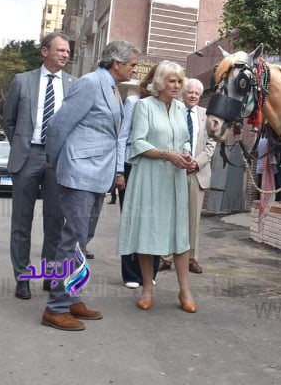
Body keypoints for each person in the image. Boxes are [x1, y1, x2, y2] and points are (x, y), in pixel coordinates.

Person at [41, 40, 139, 331]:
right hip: (79, 171)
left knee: (82, 242)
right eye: (132, 63)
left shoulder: (110, 87)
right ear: (116, 63)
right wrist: (56, 163)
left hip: (97, 174)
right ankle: (55, 308)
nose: (135, 67)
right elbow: (59, 125)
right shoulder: (90, 83)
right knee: (72, 242)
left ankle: (71, 298)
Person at [117, 60, 197, 313]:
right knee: (148, 232)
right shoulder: (144, 106)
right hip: (150, 177)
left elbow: (184, 139)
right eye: (172, 81)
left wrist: (185, 155)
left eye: (179, 81)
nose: (176, 85)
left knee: (179, 235)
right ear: (160, 83)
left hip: (174, 179)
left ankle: (185, 291)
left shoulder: (180, 109)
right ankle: (147, 289)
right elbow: (137, 142)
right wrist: (166, 155)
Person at [3, 32, 75, 300]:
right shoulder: (22, 81)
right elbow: (8, 121)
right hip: (27, 156)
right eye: (60, 50)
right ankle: (22, 277)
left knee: (56, 221)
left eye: (67, 51)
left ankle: (50, 274)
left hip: (58, 159)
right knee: (21, 221)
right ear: (44, 51)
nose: (65, 54)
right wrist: (21, 145)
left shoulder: (73, 84)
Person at [157, 79, 216, 274]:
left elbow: (211, 145)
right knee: (170, 216)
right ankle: (165, 257)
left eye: (196, 94)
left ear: (200, 96)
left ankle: (192, 259)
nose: (192, 96)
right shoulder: (173, 112)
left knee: (193, 219)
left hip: (196, 172)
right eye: (189, 92)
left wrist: (196, 163)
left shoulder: (207, 116)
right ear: (183, 93)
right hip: (173, 170)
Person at [114, 66, 160, 288]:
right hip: (132, 166)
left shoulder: (170, 107)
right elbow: (122, 137)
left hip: (159, 169)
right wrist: (119, 171)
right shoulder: (134, 102)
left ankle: (150, 273)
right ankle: (131, 273)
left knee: (155, 221)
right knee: (132, 220)